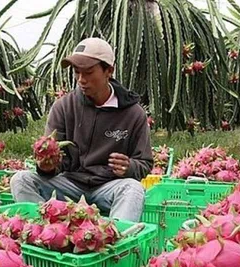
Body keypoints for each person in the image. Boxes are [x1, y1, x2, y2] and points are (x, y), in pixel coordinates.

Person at [10, 38, 153, 222]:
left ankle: (115, 242)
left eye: (88, 72)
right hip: (69, 185)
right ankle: (46, 232)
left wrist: (129, 167)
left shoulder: (133, 114)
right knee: (21, 180)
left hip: (108, 188)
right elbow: (56, 160)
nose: (81, 80)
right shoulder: (64, 107)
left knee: (133, 189)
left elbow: (145, 162)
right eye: (77, 73)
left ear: (109, 70)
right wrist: (46, 166)